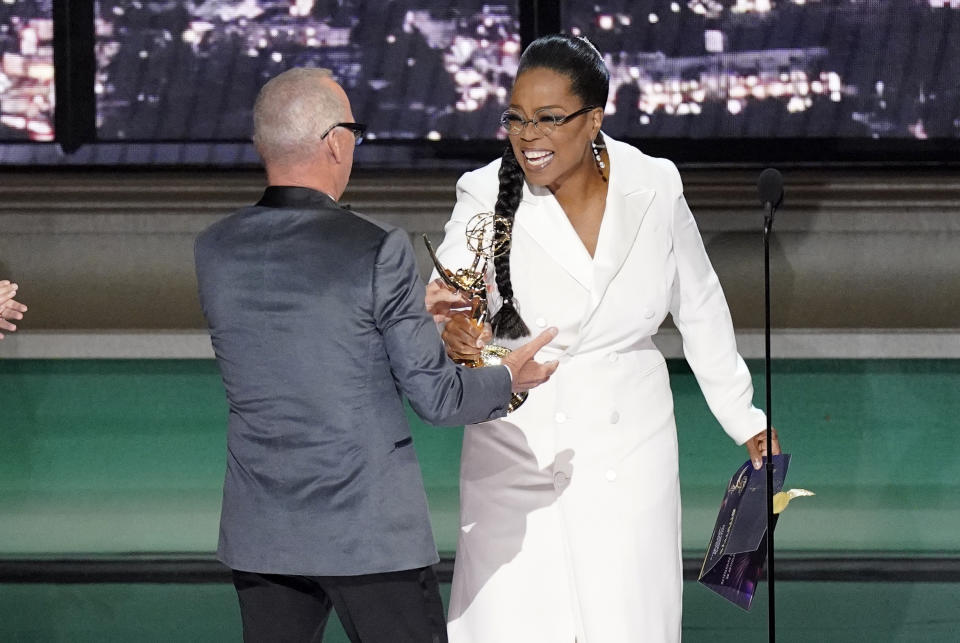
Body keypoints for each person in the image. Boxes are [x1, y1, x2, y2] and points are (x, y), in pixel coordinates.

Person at [426, 35, 782, 642]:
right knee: (517, 620)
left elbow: (697, 303)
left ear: (595, 119)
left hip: (631, 442)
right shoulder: (485, 190)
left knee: (627, 616)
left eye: (548, 119)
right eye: (515, 118)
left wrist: (742, 414)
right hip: (520, 442)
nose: (527, 135)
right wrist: (456, 333)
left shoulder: (655, 182)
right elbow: (444, 301)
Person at [194, 67, 558, 643]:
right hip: (368, 533)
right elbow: (437, 398)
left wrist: (407, 317)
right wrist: (507, 377)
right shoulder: (375, 248)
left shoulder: (214, 250)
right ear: (335, 141)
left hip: (263, 532)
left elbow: (308, 344)